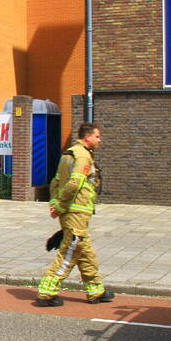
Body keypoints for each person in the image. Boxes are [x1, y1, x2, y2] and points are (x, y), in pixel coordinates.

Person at [34, 122, 114, 307]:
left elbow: (55, 183)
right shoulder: (83, 156)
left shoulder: (67, 154)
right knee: (69, 253)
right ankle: (46, 293)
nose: (99, 140)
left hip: (73, 212)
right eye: (97, 136)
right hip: (76, 211)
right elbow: (74, 183)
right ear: (87, 137)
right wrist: (61, 206)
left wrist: (55, 205)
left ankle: (96, 291)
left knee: (86, 252)